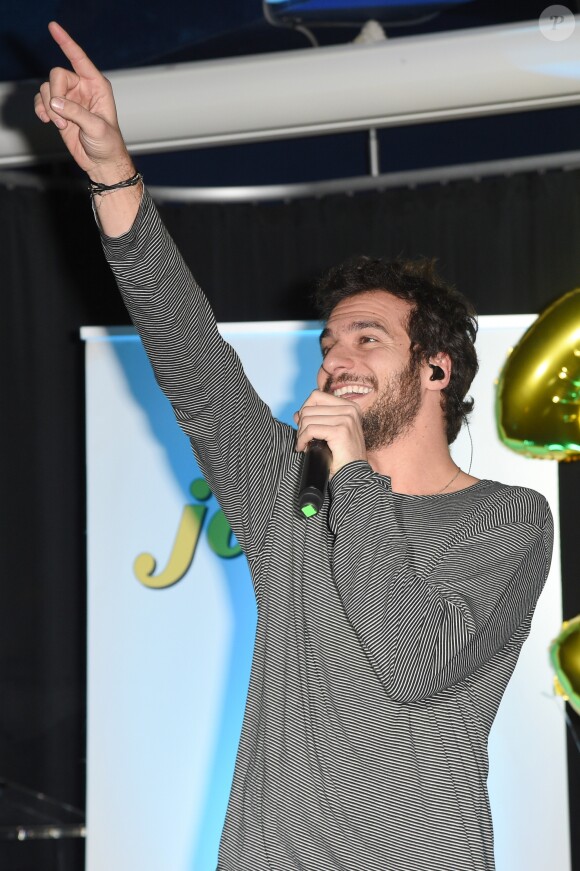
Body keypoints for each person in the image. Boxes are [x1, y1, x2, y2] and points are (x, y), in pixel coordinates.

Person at [35, 22, 553, 871]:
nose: (336, 360)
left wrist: (353, 476)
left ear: (435, 369)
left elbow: (416, 659)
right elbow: (191, 356)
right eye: (328, 345)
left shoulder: (506, 519)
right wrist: (110, 173)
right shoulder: (288, 491)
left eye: (366, 341)